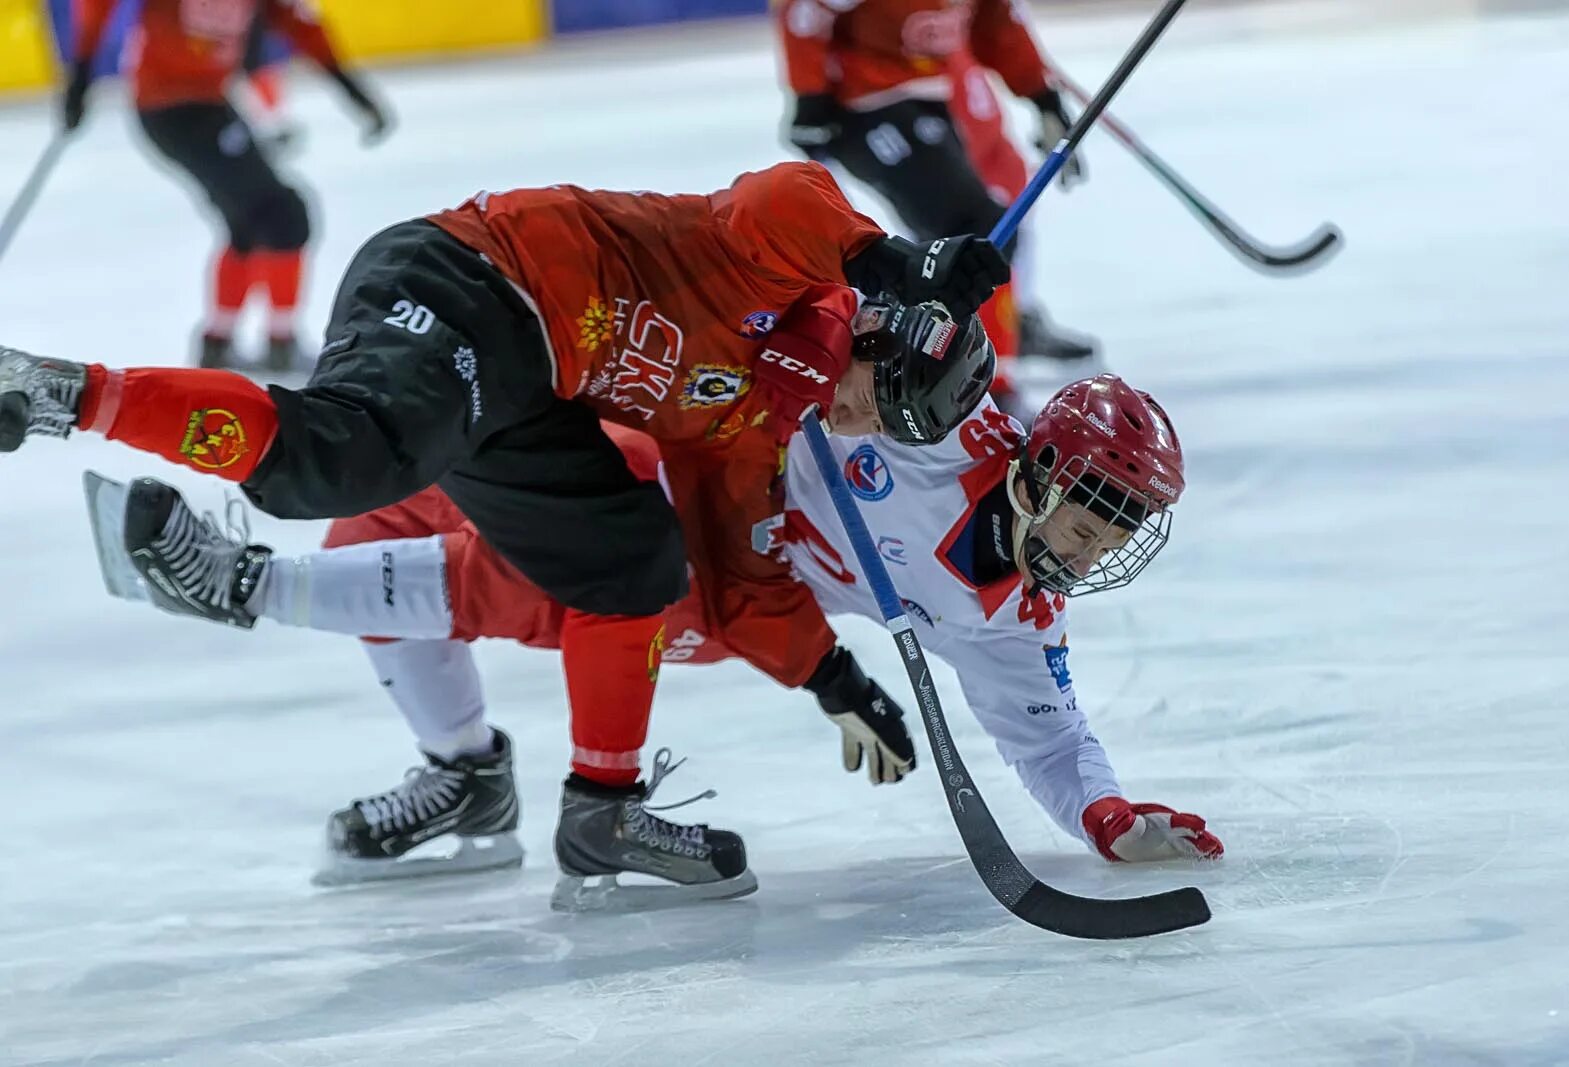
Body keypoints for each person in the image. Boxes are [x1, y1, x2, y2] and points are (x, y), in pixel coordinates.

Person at [2, 159, 1004, 902]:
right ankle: (67, 393)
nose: (869, 428)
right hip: (480, 281)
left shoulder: (751, 420)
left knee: (635, 565)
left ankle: (598, 810)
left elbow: (738, 561)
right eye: (891, 402)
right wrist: (896, 259)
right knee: (343, 456)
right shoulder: (785, 263)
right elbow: (783, 199)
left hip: (531, 397)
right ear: (880, 329)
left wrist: (830, 674)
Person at [92, 374, 1219, 910]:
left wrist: (1110, 816)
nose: (1097, 536)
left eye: (1124, 520)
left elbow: (1051, 740)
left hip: (722, 589)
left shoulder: (1011, 614)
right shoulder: (942, 423)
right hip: (681, 454)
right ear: (1036, 463)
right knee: (387, 517)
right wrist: (885, 340)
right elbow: (815, 327)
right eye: (1095, 501)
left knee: (584, 571)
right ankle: (465, 772)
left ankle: (244, 583)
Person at [775, 0, 1100, 415]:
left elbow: (996, 22)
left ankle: (950, 364)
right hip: (864, 105)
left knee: (983, 221)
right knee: (973, 231)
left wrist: (1042, 96)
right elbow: (807, 11)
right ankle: (970, 383)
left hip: (932, 95)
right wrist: (810, 95)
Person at [62, 0, 391, 370]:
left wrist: (351, 90)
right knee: (284, 216)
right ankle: (279, 343)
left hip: (207, 104)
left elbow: (297, 24)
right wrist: (81, 75)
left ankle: (218, 343)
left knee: (249, 221)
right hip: (171, 108)